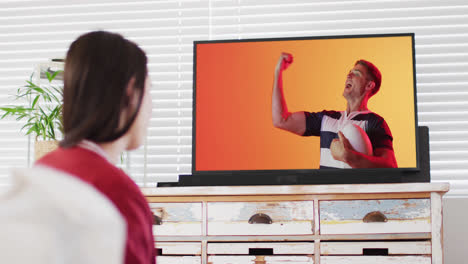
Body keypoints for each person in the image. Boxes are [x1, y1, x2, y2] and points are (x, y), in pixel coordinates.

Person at [36, 31, 156, 264]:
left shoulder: (43, 170)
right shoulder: (116, 192)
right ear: (130, 92)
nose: (152, 107)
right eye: (149, 90)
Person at [272, 52, 397, 169]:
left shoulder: (375, 123)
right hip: (326, 193)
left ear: (369, 85)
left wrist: (348, 157)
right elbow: (281, 120)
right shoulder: (327, 118)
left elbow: (390, 165)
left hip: (354, 193)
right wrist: (278, 71)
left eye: (357, 73)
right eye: (349, 72)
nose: (349, 75)